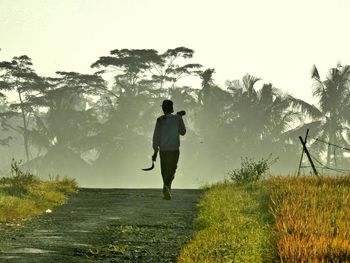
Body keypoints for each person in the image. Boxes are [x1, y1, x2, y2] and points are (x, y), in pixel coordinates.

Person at [152, 99, 186, 200]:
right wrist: (179, 117)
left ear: (163, 108)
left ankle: (166, 188)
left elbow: (156, 137)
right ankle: (167, 187)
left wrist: (155, 151)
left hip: (163, 150)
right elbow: (183, 132)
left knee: (164, 170)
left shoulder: (160, 120)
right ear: (172, 108)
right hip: (174, 149)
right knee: (171, 170)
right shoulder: (177, 118)